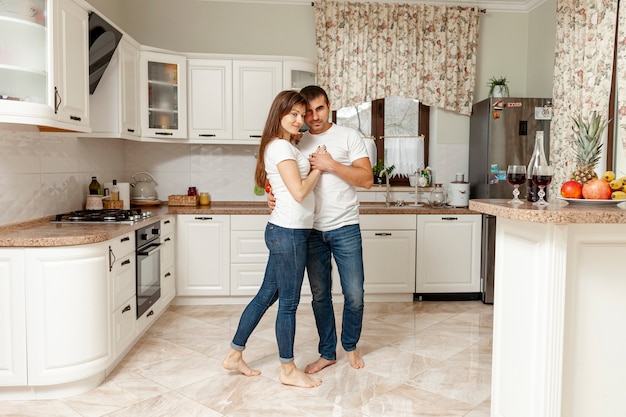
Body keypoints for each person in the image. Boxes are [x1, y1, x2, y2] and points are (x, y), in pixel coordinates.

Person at [223, 90, 325, 388]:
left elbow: (282, 187)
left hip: (288, 231)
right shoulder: (280, 147)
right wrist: (319, 167)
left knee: (267, 295)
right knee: (289, 303)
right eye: (291, 113)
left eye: (301, 114)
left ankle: (234, 354)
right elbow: (299, 191)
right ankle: (288, 369)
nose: (298, 120)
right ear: (278, 115)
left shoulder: (285, 146)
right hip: (288, 233)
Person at [286, 85, 374, 374]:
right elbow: (279, 175)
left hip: (345, 227)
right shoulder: (296, 141)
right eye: (307, 111)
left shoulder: (349, 136)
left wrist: (331, 164)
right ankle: (327, 352)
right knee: (320, 295)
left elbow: (367, 180)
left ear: (329, 106)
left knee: (354, 295)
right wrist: (270, 195)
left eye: (319, 108)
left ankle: (350, 345)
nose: (314, 116)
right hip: (310, 231)